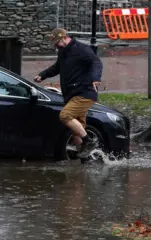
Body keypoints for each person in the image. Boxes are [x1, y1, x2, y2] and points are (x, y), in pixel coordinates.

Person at [34, 28, 103, 158]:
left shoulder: (82, 49)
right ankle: (85, 158)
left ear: (64, 38)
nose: (56, 46)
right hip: (71, 94)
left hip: (85, 93)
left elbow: (96, 62)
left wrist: (96, 78)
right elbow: (57, 67)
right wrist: (43, 75)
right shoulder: (62, 52)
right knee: (76, 129)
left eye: (57, 43)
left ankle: (89, 141)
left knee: (65, 116)